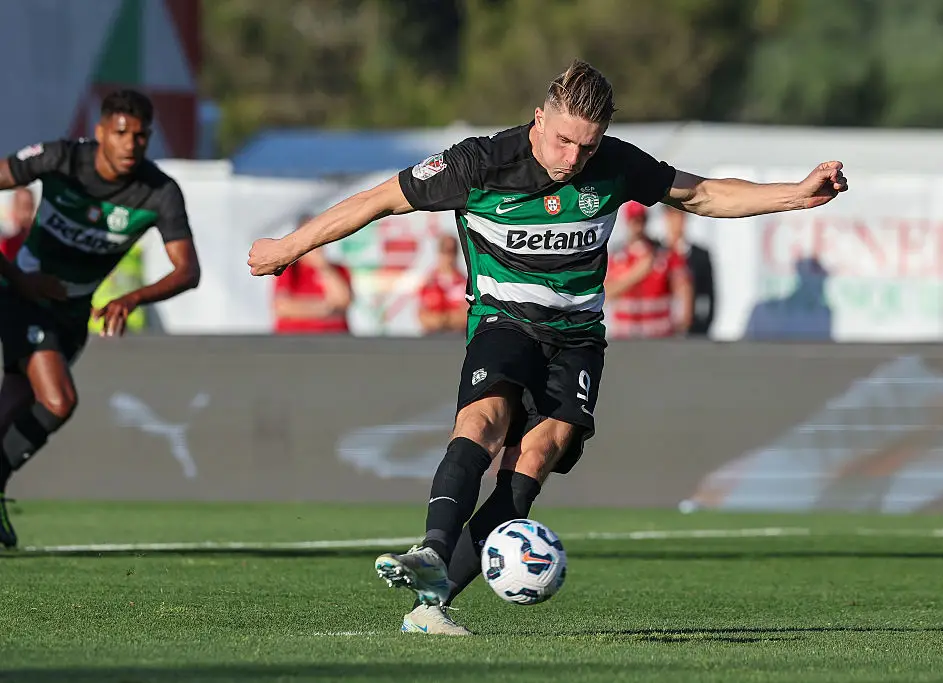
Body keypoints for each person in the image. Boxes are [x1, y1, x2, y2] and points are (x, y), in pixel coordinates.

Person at [247, 59, 848, 634]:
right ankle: (432, 547)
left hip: (578, 336)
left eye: (587, 146)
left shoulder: (612, 164)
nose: (573, 158)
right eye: (563, 140)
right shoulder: (480, 162)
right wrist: (287, 247)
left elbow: (701, 194)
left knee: (535, 458)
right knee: (485, 421)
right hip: (503, 323)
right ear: (539, 118)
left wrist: (796, 193)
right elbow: (376, 200)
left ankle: (432, 604)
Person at [0, 90, 201, 549]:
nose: (131, 143)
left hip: (73, 311)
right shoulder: (60, 159)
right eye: (121, 132)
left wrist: (132, 298)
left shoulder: (159, 191)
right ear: (100, 132)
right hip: (22, 292)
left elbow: (188, 270)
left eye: (142, 135)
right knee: (57, 400)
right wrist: (15, 275)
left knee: (15, 394)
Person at [605, 201, 691, 338]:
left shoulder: (663, 254)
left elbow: (683, 287)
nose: (638, 226)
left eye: (641, 220)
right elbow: (605, 293)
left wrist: (682, 324)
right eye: (634, 221)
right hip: (625, 336)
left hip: (659, 334)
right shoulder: (617, 256)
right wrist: (636, 274)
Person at [272, 213, 352, 335]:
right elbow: (283, 307)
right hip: (295, 340)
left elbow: (343, 301)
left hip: (333, 339)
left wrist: (323, 267)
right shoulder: (288, 269)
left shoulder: (337, 269)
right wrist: (326, 308)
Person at [664, 204, 715, 337]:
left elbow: (708, 295)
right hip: (662, 330)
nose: (676, 222)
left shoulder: (700, 255)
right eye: (672, 216)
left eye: (679, 215)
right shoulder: (658, 253)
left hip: (692, 331)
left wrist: (702, 327)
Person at [418, 234, 468, 335]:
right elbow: (423, 318)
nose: (449, 257)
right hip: (433, 340)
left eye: (452, 251)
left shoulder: (465, 283)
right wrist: (447, 319)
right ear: (439, 253)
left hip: (457, 339)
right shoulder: (429, 283)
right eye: (445, 251)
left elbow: (466, 317)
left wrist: (442, 319)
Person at [0, 188, 35, 260]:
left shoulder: (40, 240)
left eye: (31, 207)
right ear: (14, 210)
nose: (27, 213)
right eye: (24, 207)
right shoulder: (6, 247)